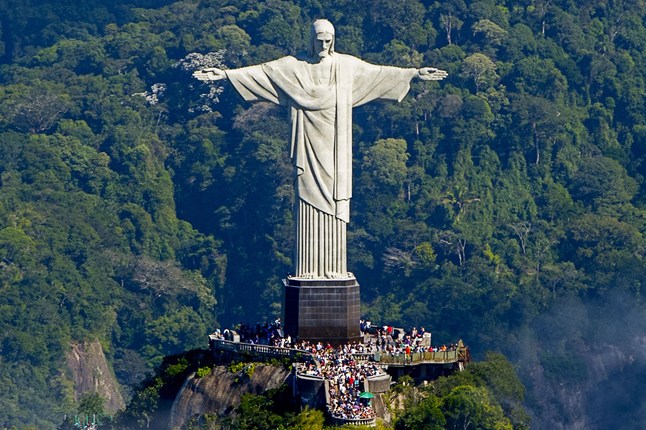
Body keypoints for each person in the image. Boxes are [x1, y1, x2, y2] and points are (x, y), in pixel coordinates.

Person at [194, 19, 447, 279]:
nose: (324, 45)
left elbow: (379, 73)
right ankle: (308, 270)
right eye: (319, 40)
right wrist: (225, 74)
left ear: (334, 40)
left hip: (336, 148)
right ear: (311, 40)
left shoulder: (346, 66)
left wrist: (414, 73)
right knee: (306, 197)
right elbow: (262, 72)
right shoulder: (294, 66)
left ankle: (333, 270)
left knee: (334, 201)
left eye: (328, 40)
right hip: (307, 144)